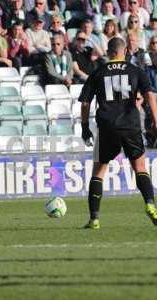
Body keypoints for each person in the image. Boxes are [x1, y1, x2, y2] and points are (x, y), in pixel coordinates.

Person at [79, 37, 157, 229]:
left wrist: (84, 126)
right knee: (140, 167)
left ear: (109, 51)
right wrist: (156, 121)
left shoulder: (98, 72)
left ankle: (94, 219)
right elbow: (150, 96)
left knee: (99, 171)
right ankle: (150, 204)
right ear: (124, 52)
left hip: (106, 126)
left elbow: (85, 102)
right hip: (130, 125)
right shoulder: (136, 71)